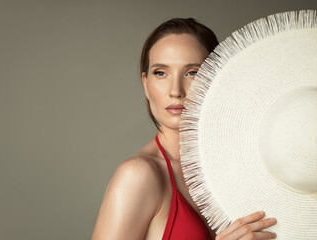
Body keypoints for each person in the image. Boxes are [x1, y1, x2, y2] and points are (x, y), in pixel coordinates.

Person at [92, 18, 277, 240]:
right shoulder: (138, 175)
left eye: (192, 72)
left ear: (216, 79)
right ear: (146, 84)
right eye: (161, 73)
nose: (176, 91)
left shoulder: (242, 168)